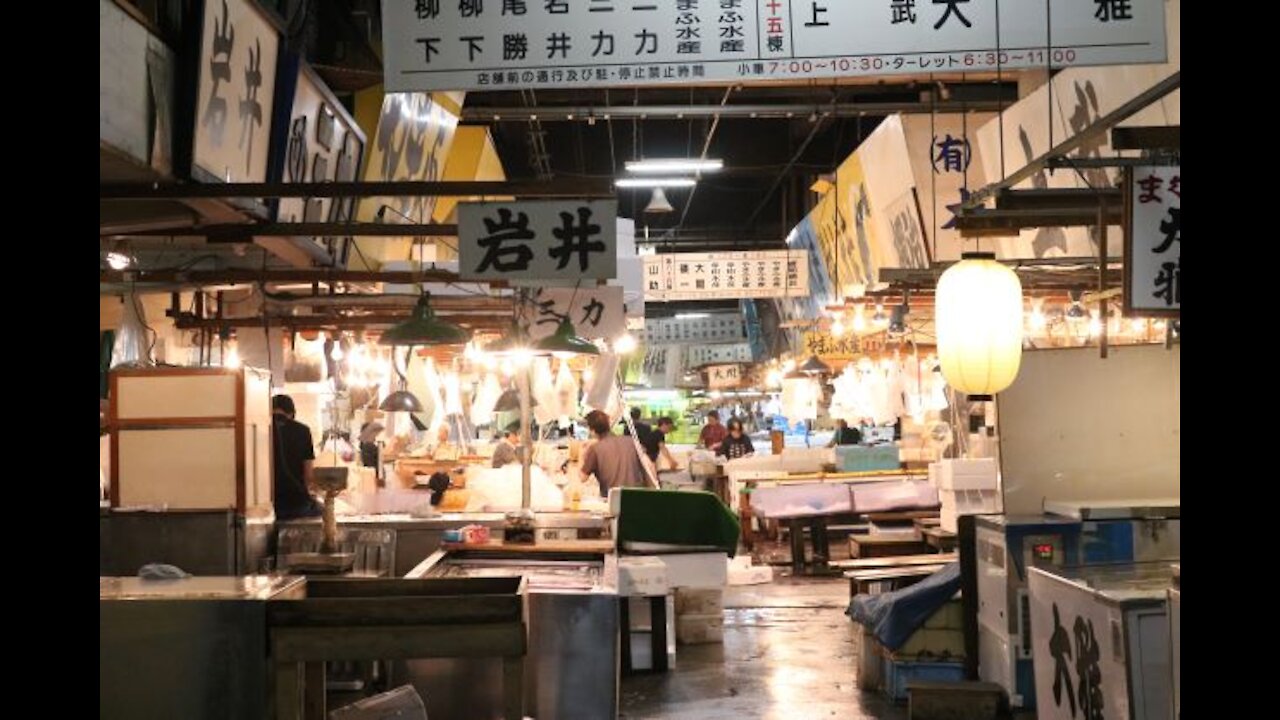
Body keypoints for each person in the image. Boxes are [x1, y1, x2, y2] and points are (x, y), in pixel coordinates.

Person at [271, 395, 322, 520]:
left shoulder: (260, 429)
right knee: (322, 510)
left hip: (268, 505)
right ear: (292, 413)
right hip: (296, 502)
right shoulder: (302, 431)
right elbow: (308, 474)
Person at [580, 409, 647, 498]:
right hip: (638, 498)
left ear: (592, 430)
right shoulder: (631, 441)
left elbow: (582, 478)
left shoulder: (595, 449)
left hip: (613, 502)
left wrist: (581, 452)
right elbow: (648, 466)